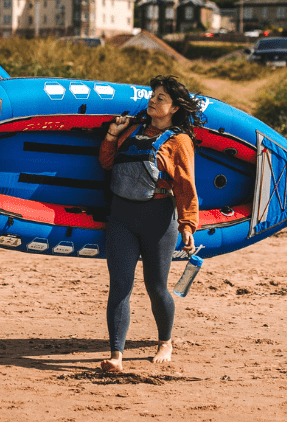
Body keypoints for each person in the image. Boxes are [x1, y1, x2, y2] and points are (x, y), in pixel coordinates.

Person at [96, 75, 202, 372]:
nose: (152, 101)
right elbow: (108, 163)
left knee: (156, 287)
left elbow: (185, 186)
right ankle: (116, 355)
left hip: (157, 218)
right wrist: (111, 136)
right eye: (152, 96)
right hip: (121, 217)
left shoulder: (179, 141)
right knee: (120, 286)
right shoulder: (132, 131)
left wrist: (187, 224)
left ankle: (165, 342)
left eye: (160, 98)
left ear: (175, 108)